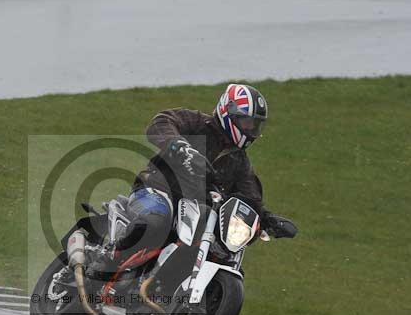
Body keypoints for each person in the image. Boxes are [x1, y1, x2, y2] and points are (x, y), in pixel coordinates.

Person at [98, 83, 297, 272]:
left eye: (255, 125)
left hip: (196, 214)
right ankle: (107, 260)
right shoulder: (198, 124)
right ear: (229, 113)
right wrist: (179, 147)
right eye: (247, 122)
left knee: (221, 255)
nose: (251, 130)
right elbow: (161, 122)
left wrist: (268, 219)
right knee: (156, 221)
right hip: (157, 191)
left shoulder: (240, 162)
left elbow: (250, 198)